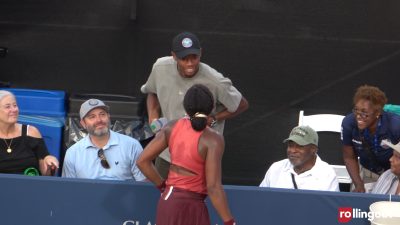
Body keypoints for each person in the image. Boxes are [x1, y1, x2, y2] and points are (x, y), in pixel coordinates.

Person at [140, 31, 249, 179]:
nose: (190, 63)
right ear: (174, 56)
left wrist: (215, 118)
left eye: (194, 57)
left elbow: (241, 104)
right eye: (184, 58)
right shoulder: (160, 68)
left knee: (194, 199)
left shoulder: (215, 80)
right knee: (158, 195)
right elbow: (152, 92)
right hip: (167, 153)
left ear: (201, 54)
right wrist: (153, 119)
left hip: (198, 156)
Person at [137, 84, 236, 225]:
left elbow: (142, 161)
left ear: (185, 106)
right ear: (212, 106)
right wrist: (230, 222)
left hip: (168, 202)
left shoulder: (171, 127)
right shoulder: (214, 139)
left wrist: (163, 187)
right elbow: (213, 187)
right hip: (192, 206)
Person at [62, 99, 146, 181]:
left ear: (108, 117)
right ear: (83, 124)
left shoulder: (132, 146)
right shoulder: (73, 153)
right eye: (92, 117)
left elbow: (143, 185)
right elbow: (68, 189)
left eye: (102, 114)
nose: (99, 120)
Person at [341, 85, 400, 193]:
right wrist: (358, 184)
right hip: (366, 174)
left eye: (364, 113)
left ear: (377, 113)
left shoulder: (395, 125)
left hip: (393, 175)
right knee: (355, 207)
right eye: (356, 110)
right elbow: (349, 157)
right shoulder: (348, 123)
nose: (358, 116)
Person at [259, 125, 339, 191]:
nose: (293, 150)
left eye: (300, 146)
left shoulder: (327, 174)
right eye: (290, 145)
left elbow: (331, 209)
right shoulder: (276, 168)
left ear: (313, 149)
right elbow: (260, 199)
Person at [0, 90, 59, 176]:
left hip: (29, 187)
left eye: (15, 105)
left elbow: (45, 172)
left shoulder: (31, 132)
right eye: (7, 107)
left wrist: (50, 164)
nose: (14, 110)